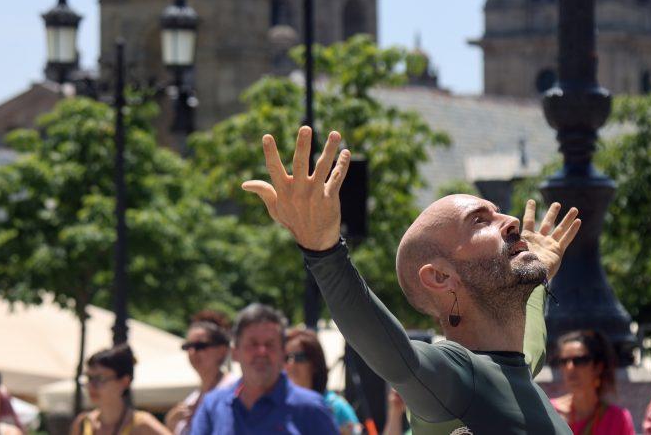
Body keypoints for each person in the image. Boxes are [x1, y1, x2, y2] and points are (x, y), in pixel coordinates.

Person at [242, 127, 582, 434]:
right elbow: (398, 359)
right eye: (479, 221)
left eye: (497, 213)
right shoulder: (456, 376)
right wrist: (323, 252)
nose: (510, 220)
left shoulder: (518, 364)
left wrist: (536, 270)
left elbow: (531, 335)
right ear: (440, 276)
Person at [188, 303, 337, 434]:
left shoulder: (311, 409)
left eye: (270, 344)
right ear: (235, 353)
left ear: (283, 353)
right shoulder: (212, 406)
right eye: (252, 344)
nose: (261, 352)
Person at [164, 311, 238, 435]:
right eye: (188, 346)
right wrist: (171, 423)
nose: (193, 352)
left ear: (222, 350)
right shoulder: (191, 400)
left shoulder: (234, 389)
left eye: (200, 346)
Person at [70, 344, 169, 435]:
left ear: (124, 382)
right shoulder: (82, 423)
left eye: (100, 378)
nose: (91, 385)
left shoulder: (142, 425)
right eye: (89, 378)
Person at [550, 330, 634, 435]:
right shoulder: (548, 413)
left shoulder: (618, 419)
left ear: (598, 367)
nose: (570, 367)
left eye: (580, 360)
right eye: (563, 361)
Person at [283, 328, 363, 435]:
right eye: (286, 358)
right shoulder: (275, 405)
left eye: (299, 357)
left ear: (315, 364)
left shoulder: (336, 407)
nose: (291, 363)